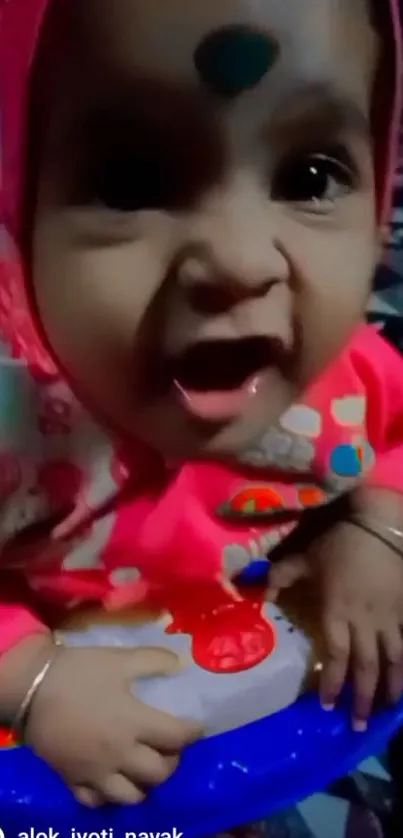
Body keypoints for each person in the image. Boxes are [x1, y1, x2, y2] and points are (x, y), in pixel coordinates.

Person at [0, 0, 402, 812]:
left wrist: (379, 528)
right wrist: (27, 676)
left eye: (310, 176)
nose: (239, 259)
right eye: (128, 183)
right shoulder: (13, 430)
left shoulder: (348, 379)